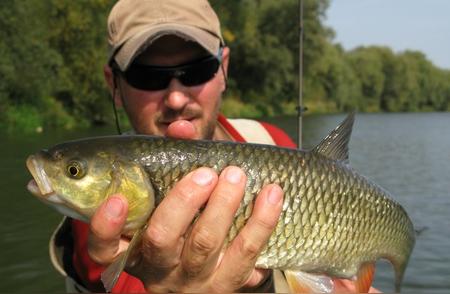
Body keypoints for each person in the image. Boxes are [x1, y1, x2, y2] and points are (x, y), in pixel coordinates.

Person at [49, 0, 379, 293]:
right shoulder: (102, 225)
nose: (176, 97)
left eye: (196, 70)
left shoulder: (271, 140)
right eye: (148, 76)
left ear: (223, 68)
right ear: (114, 83)